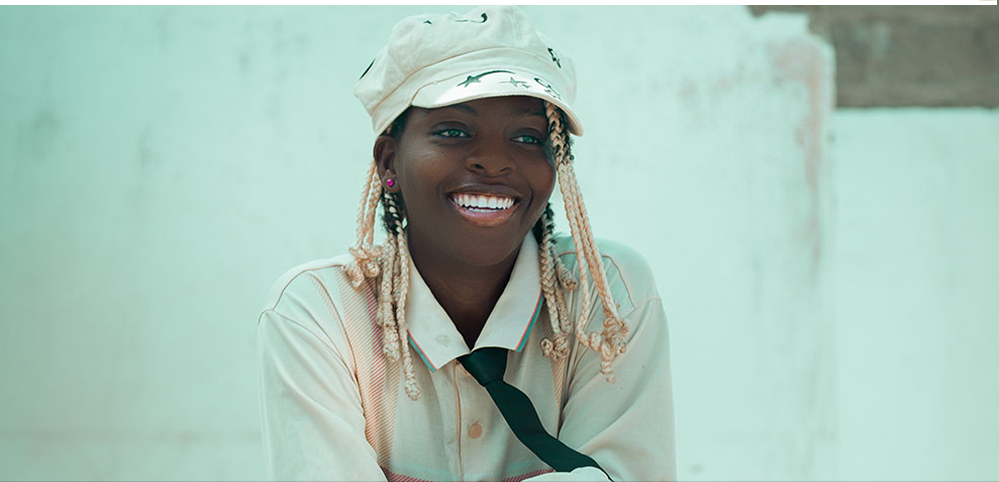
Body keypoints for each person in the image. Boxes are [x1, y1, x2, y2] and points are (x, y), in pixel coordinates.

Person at [257, 6, 676, 481]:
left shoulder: (605, 299)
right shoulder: (321, 315)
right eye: (453, 131)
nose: (494, 162)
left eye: (527, 137)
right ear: (390, 161)